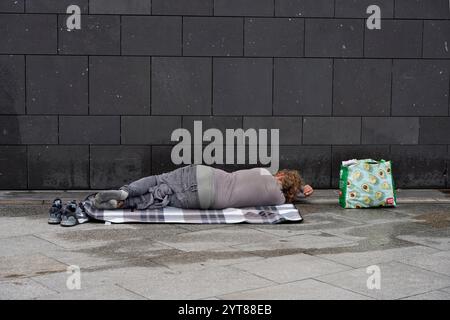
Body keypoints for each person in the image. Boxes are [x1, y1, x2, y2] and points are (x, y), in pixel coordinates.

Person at [93, 164, 314, 210]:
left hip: (206, 174)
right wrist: (302, 190)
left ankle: (127, 191)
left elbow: (286, 180)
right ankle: (124, 203)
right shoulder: (279, 200)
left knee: (159, 180)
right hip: (208, 199)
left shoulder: (263, 172)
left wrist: (301, 184)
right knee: (165, 199)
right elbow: (292, 192)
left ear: (282, 174)